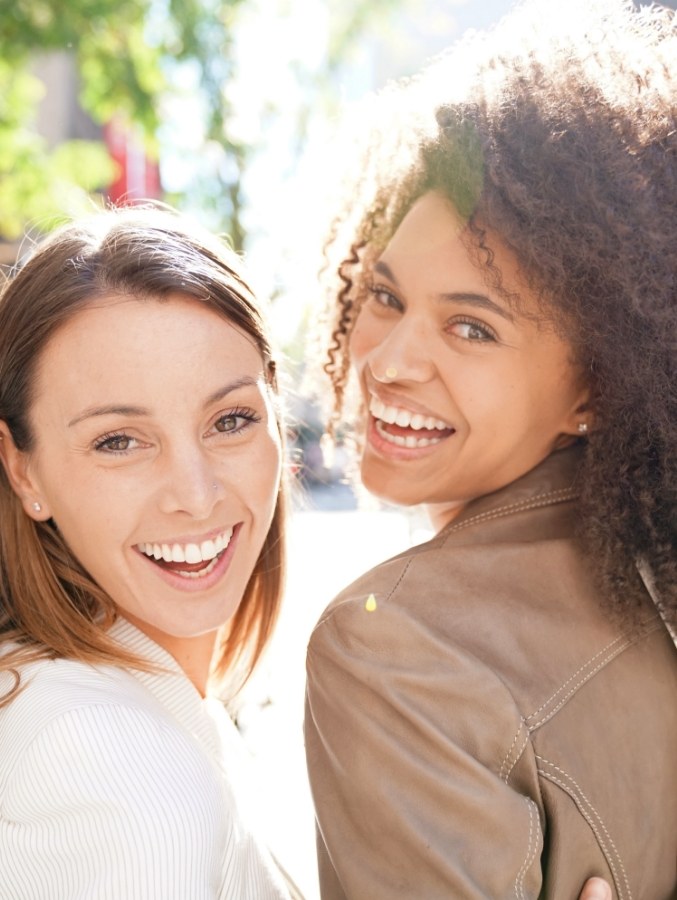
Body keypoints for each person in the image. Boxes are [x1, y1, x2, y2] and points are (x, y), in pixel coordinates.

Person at [304, 0, 677, 896]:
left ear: (594, 388)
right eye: (386, 296)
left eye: (470, 328)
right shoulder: (644, 590)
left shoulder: (396, 649)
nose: (387, 362)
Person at [0, 206, 300, 899]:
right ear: (23, 470)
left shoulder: (117, 702)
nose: (195, 497)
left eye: (230, 420)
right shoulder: (118, 766)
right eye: (118, 440)